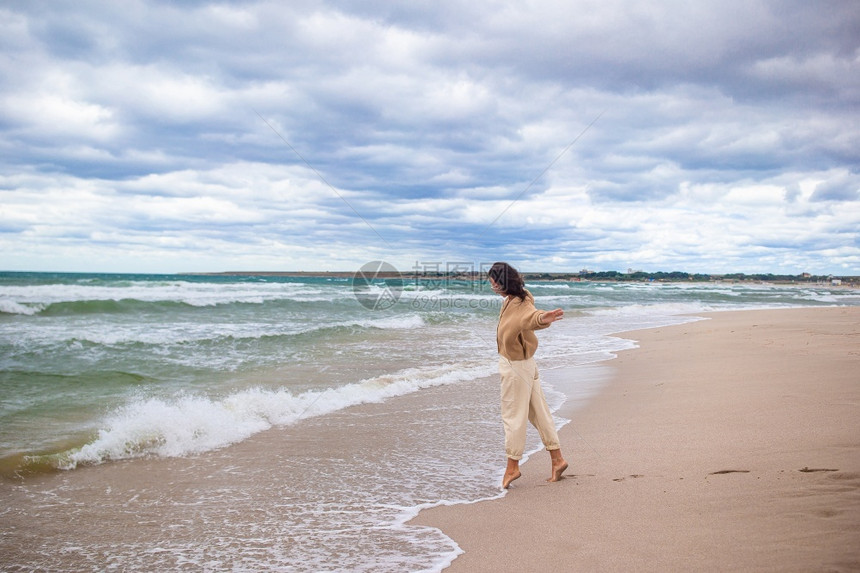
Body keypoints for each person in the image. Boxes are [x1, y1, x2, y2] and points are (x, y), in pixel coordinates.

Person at [487, 262, 568, 489]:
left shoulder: (521, 305)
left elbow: (532, 318)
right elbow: (529, 316)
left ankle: (512, 467)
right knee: (540, 414)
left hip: (516, 367)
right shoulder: (515, 299)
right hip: (526, 365)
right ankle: (557, 459)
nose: (492, 287)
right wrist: (540, 318)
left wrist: (544, 318)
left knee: (513, 416)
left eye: (494, 283)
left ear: (503, 282)